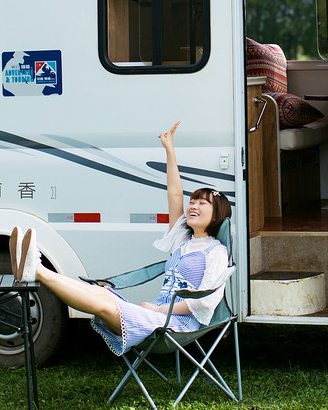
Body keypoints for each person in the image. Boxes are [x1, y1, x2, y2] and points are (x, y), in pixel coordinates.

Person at [32, 122, 233, 355]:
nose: (193, 206)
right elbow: (175, 194)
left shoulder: (216, 252)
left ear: (217, 213)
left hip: (177, 325)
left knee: (104, 304)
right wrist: (169, 149)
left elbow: (205, 302)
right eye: (193, 201)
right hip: (157, 315)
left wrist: (159, 311)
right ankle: (36, 269)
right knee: (101, 293)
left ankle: (37, 271)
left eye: (202, 203)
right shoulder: (182, 241)